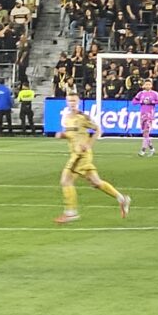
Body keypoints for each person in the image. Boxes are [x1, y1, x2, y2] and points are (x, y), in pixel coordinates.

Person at [54, 93, 132, 223]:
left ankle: (71, 213)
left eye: (74, 101)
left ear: (78, 102)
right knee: (96, 182)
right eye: (69, 101)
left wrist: (88, 144)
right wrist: (63, 135)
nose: (72, 103)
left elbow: (98, 129)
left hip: (81, 155)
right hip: (75, 153)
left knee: (66, 180)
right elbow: (71, 134)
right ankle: (122, 199)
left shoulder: (83, 117)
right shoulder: (67, 118)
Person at [130, 79, 158, 156]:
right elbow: (133, 102)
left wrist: (152, 102)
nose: (148, 86)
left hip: (150, 115)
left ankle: (143, 150)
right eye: (146, 84)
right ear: (144, 85)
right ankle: (152, 148)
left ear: (151, 85)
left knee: (146, 132)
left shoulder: (154, 94)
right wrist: (141, 102)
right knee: (145, 134)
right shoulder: (140, 93)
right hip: (142, 115)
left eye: (149, 84)